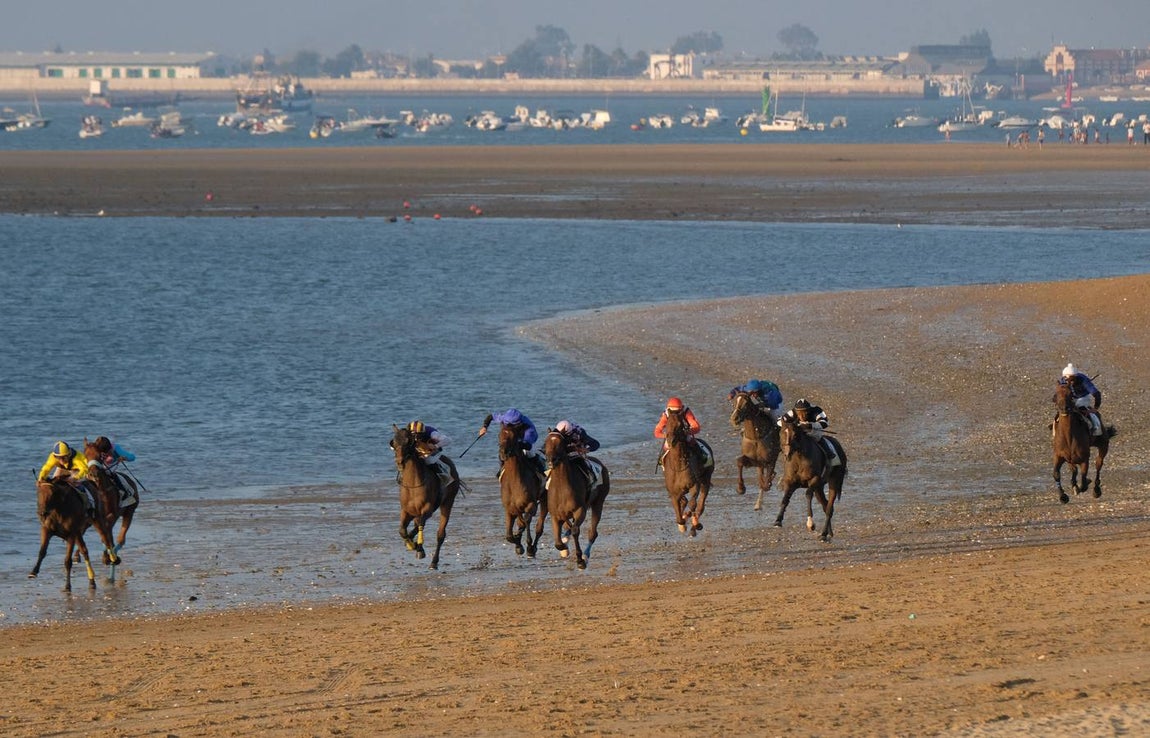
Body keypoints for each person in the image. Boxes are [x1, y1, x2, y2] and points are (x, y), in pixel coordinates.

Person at [478, 408, 546, 478]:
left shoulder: (529, 430)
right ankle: (502, 468)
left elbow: (528, 446)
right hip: (512, 438)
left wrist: (515, 444)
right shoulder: (505, 418)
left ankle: (541, 470)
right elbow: (490, 416)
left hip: (526, 440)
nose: (506, 425)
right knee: (502, 449)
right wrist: (484, 427)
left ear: (518, 424)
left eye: (509, 425)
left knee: (529, 453)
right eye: (506, 423)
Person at [36, 441, 97, 515]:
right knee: (53, 484)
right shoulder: (52, 457)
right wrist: (41, 478)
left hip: (78, 470)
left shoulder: (77, 458)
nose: (61, 460)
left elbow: (84, 470)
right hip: (63, 469)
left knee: (78, 486)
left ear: (68, 454)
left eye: (63, 457)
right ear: (55, 456)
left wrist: (75, 478)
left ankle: (90, 505)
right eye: (58, 458)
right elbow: (46, 468)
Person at [780, 398, 840, 467]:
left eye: (804, 412)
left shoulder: (816, 410)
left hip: (813, 431)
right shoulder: (792, 412)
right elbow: (779, 421)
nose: (801, 416)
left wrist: (810, 425)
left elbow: (825, 423)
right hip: (798, 432)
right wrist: (792, 426)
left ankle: (829, 453)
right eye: (799, 413)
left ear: (808, 410)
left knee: (818, 438)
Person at [654, 397, 709, 469]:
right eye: (672, 412)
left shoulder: (687, 412)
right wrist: (666, 435)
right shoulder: (666, 415)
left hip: (684, 434)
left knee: (691, 441)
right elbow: (657, 432)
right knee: (666, 446)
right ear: (668, 410)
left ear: (681, 409)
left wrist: (687, 432)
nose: (675, 415)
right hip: (671, 436)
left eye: (677, 412)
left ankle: (702, 458)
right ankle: (662, 461)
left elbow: (696, 427)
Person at [1057, 363, 1104, 436]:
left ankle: (1096, 426)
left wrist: (1095, 408)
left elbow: (1096, 393)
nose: (1070, 382)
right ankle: (1055, 426)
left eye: (1072, 379)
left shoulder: (1083, 380)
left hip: (1083, 397)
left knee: (1079, 405)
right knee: (1062, 407)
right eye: (1067, 380)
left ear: (1076, 376)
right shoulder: (1063, 381)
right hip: (1071, 398)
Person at [554, 419, 601, 484]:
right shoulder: (556, 433)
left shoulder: (580, 432)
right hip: (563, 456)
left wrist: (587, 449)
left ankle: (590, 481)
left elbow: (596, 444)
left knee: (585, 467)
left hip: (577, 455)